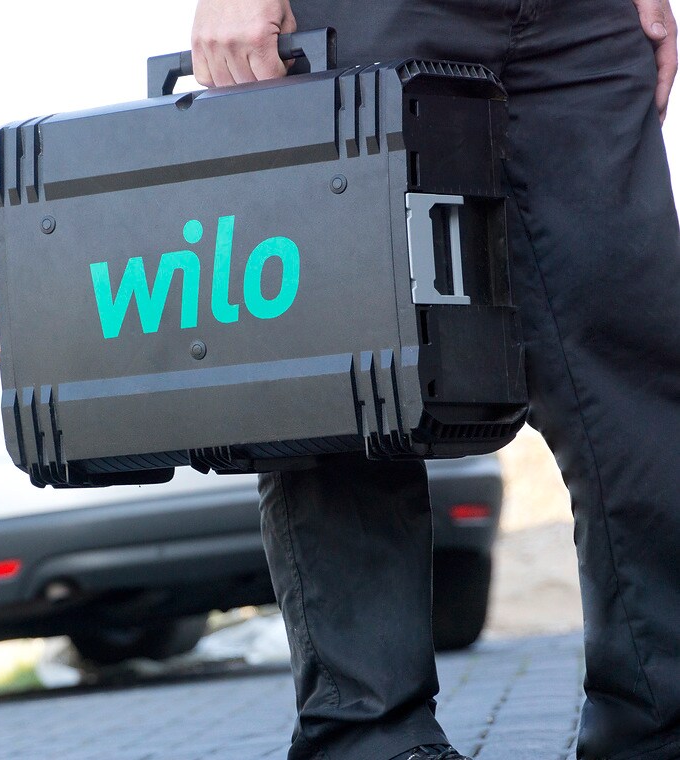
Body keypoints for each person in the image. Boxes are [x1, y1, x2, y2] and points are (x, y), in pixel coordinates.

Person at [189, 1, 680, 759]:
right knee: (348, 370)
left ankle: (659, 723)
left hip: (581, 19)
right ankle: (373, 740)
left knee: (634, 365)